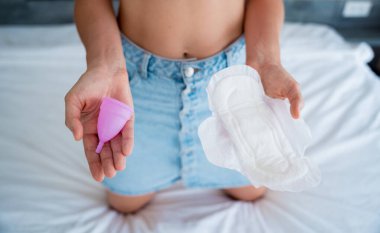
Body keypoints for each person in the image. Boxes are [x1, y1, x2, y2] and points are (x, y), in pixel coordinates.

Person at [65, 0, 304, 214]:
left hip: (227, 84)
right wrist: (104, 64)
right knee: (125, 203)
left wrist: (266, 61)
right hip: (136, 85)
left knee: (250, 192)